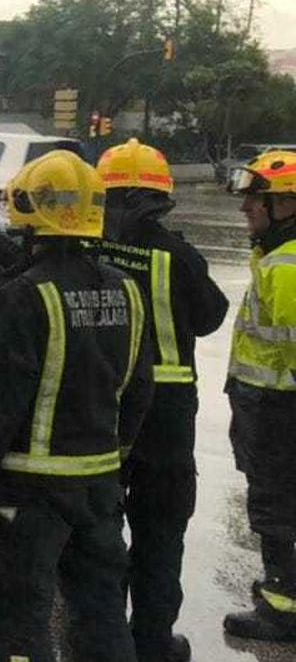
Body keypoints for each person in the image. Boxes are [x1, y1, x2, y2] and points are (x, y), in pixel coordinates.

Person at [0, 150, 153, 662]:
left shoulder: (23, 295)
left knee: (18, 619)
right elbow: (139, 387)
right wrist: (116, 453)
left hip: (31, 490)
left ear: (32, 215)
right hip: (99, 485)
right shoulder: (126, 289)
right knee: (101, 614)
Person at [96, 139, 229, 661]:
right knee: (160, 533)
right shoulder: (178, 255)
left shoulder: (90, 250)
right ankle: (152, 643)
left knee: (99, 532)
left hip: (104, 409)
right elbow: (211, 315)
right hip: (167, 417)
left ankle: (103, 640)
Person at [223, 149, 296, 642]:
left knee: (274, 506)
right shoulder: (274, 255)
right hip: (270, 404)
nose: (246, 208)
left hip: (278, 409)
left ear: (287, 205)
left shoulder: (287, 267)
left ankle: (282, 608)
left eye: (257, 200)